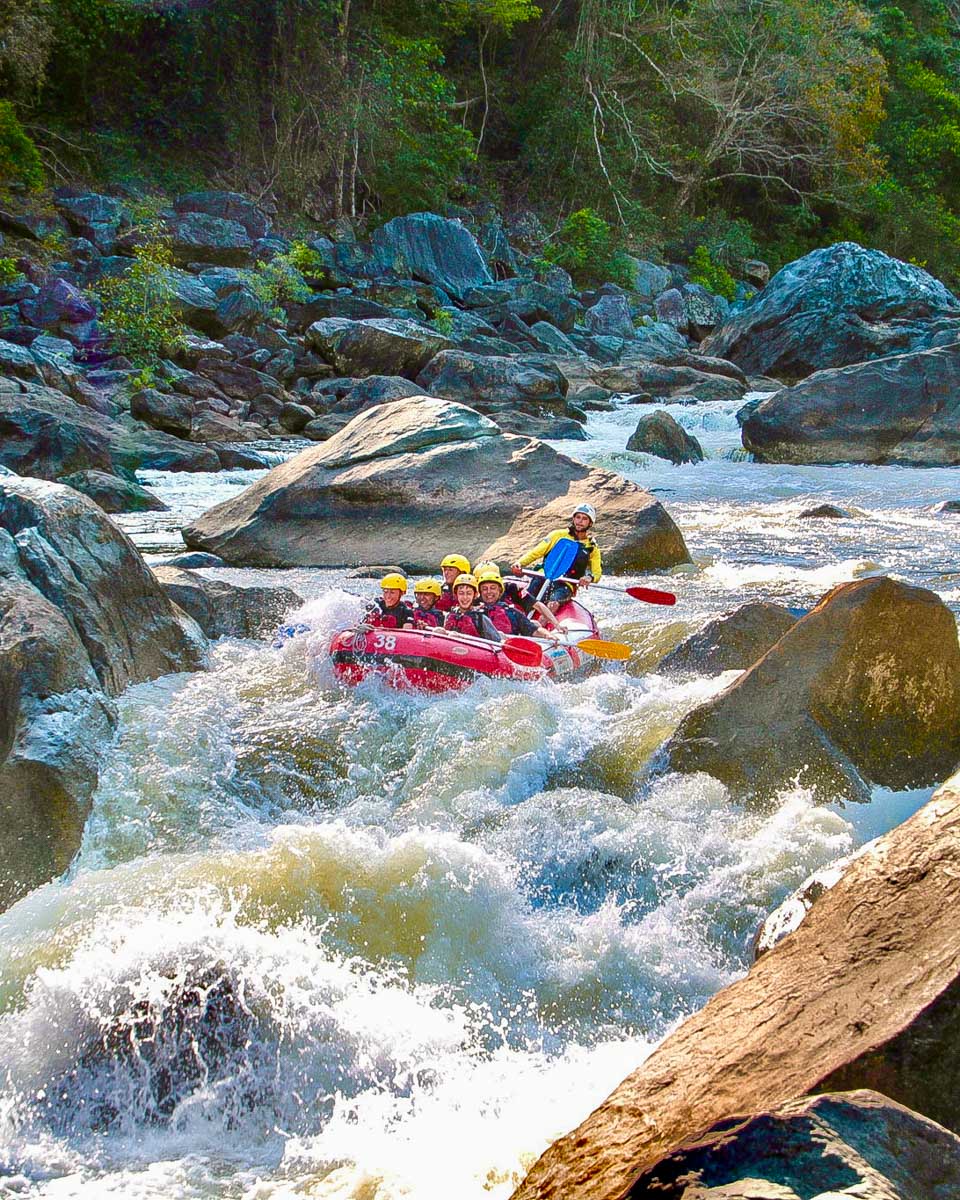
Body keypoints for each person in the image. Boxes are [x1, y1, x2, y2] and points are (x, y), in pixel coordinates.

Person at [510, 503, 602, 602]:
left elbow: (597, 572)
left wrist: (590, 577)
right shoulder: (557, 535)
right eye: (578, 517)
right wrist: (520, 563)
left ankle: (548, 611)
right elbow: (536, 552)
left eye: (584, 519)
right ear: (573, 519)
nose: (580, 521)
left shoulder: (591, 547)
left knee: (554, 603)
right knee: (528, 599)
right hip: (543, 575)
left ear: (590, 523)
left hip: (566, 583)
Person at [476, 565, 540, 636]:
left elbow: (534, 630)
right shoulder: (475, 612)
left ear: (500, 590)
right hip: (485, 641)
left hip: (510, 640)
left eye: (493, 588)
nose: (488, 592)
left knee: (536, 624)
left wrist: (547, 635)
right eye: (484, 589)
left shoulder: (511, 611)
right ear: (480, 591)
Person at [443, 573, 501, 641]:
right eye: (461, 593)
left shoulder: (481, 619)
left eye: (469, 593)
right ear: (456, 595)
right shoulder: (449, 615)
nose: (465, 597)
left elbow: (497, 641)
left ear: (475, 595)